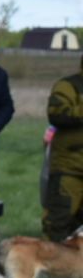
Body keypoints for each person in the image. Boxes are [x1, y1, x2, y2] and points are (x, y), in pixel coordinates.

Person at [46, 52, 83, 241]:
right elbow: (57, 114)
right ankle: (51, 266)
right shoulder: (67, 86)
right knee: (59, 221)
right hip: (69, 168)